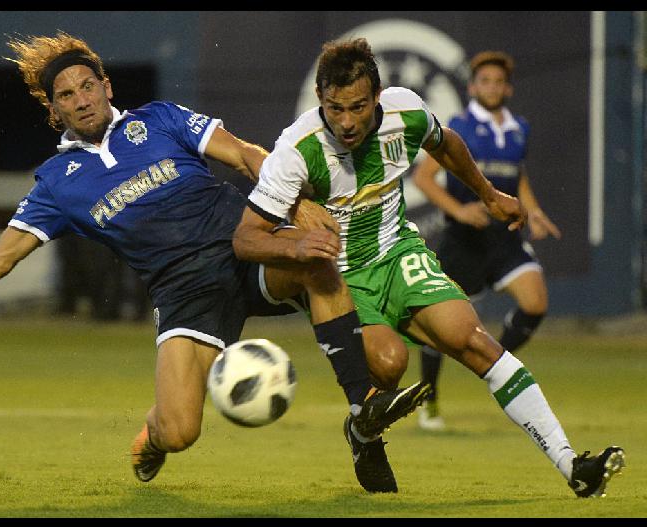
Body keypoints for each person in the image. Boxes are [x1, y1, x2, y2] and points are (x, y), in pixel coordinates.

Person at [0, 32, 428, 491]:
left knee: (315, 262)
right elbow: (0, 258)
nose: (82, 99)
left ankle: (363, 415)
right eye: (67, 95)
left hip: (243, 250)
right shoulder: (58, 184)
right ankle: (151, 437)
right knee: (180, 430)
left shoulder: (157, 119)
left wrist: (298, 204)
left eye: (89, 85)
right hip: (185, 296)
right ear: (53, 109)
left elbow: (245, 154)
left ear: (106, 85)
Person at [233, 38, 624, 497]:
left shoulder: (406, 112)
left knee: (473, 340)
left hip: (398, 252)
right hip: (341, 277)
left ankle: (572, 464)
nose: (346, 122)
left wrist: (488, 194)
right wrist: (299, 248)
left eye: (357, 107)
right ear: (320, 98)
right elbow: (245, 238)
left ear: (377, 96)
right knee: (389, 364)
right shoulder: (297, 149)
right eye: (334, 108)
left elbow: (447, 144)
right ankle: (362, 433)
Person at [411, 51, 562, 432]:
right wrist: (459, 212)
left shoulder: (519, 128)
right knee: (437, 325)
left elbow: (517, 177)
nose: (492, 88)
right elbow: (424, 178)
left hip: (503, 238)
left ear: (507, 88)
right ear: (472, 87)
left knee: (536, 302)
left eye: (498, 82)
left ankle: (498, 366)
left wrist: (534, 209)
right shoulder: (457, 127)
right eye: (485, 81)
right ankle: (428, 400)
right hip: (463, 241)